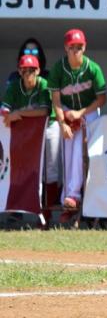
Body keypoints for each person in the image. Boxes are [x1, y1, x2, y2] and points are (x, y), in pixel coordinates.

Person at [48, 29, 106, 219]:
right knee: (67, 149)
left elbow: (101, 99)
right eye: (72, 47)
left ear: (84, 47)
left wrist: (80, 113)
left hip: (87, 111)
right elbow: (55, 99)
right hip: (66, 111)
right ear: (66, 47)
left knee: (80, 146)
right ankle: (69, 198)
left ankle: (74, 195)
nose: (75, 50)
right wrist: (62, 122)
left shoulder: (92, 68)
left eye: (79, 47)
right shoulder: (59, 68)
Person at [1, 54, 54, 217]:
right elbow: (4, 109)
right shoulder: (15, 86)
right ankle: (17, 209)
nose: (28, 73)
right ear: (19, 71)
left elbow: (44, 111)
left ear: (38, 71)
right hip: (25, 133)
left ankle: (46, 213)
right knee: (19, 169)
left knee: (49, 170)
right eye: (25, 70)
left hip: (47, 129)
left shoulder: (44, 84)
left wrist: (19, 113)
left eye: (32, 70)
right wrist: (8, 113)